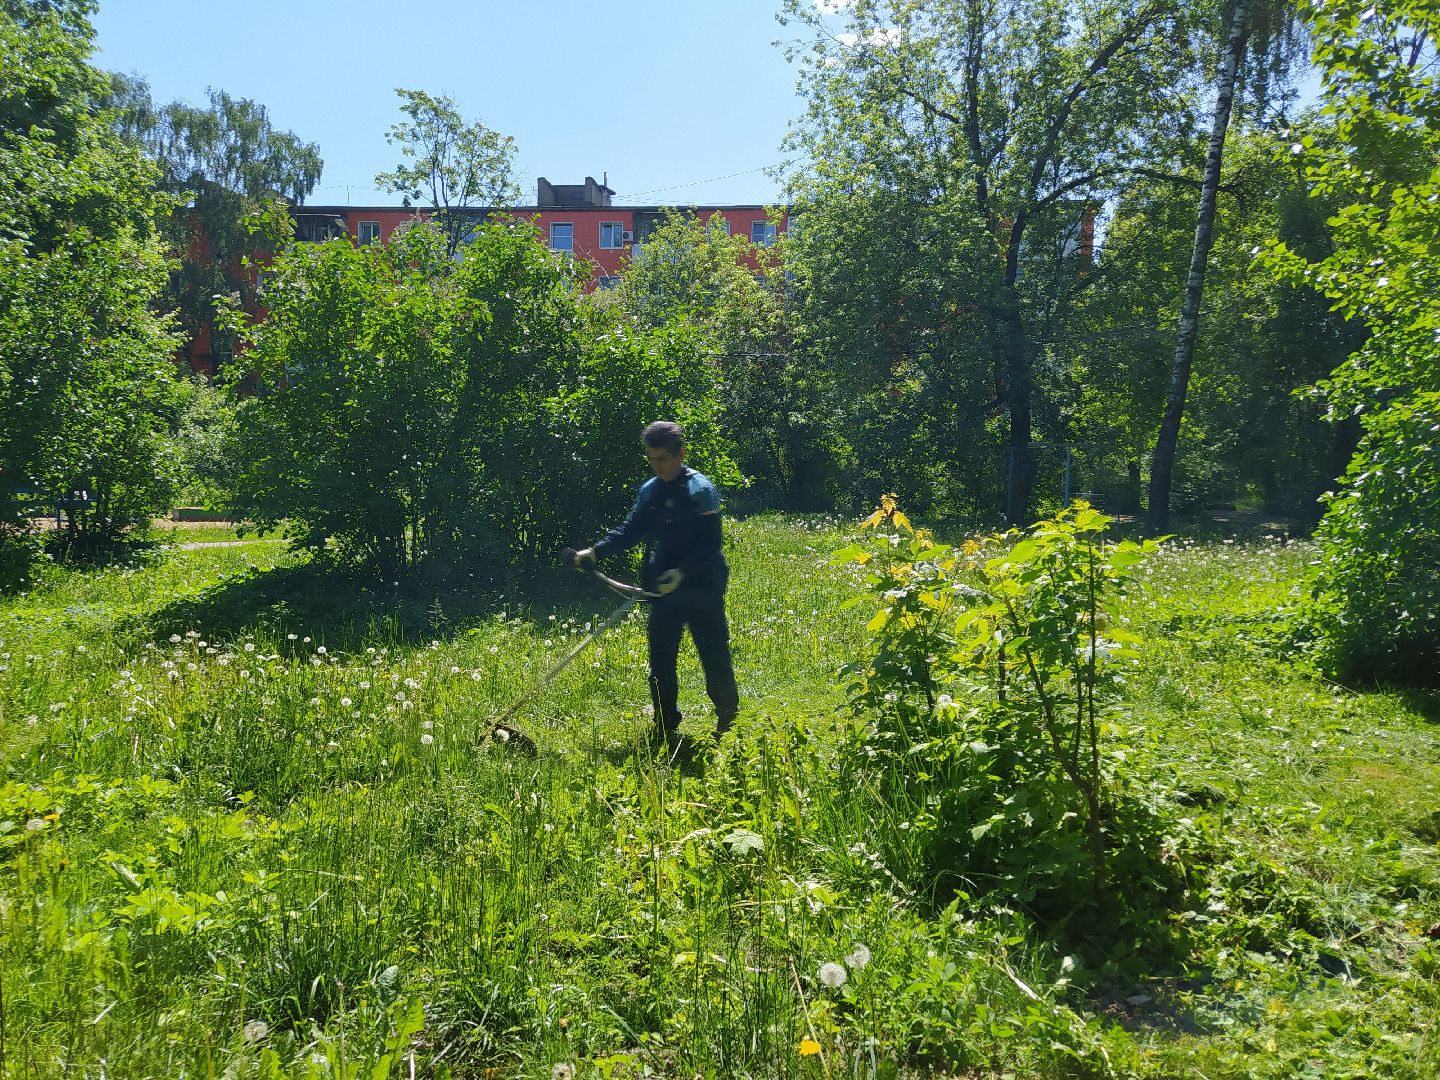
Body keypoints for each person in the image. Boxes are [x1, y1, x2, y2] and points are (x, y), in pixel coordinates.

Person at [570, 421, 738, 757]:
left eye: (661, 459)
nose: (656, 465)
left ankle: (727, 720)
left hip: (702, 586)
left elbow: (711, 544)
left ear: (680, 454)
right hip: (661, 588)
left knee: (713, 653)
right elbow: (630, 530)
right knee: (661, 660)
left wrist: (683, 571)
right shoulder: (651, 491)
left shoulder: (700, 490)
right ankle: (665, 722)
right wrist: (596, 551)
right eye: (651, 459)